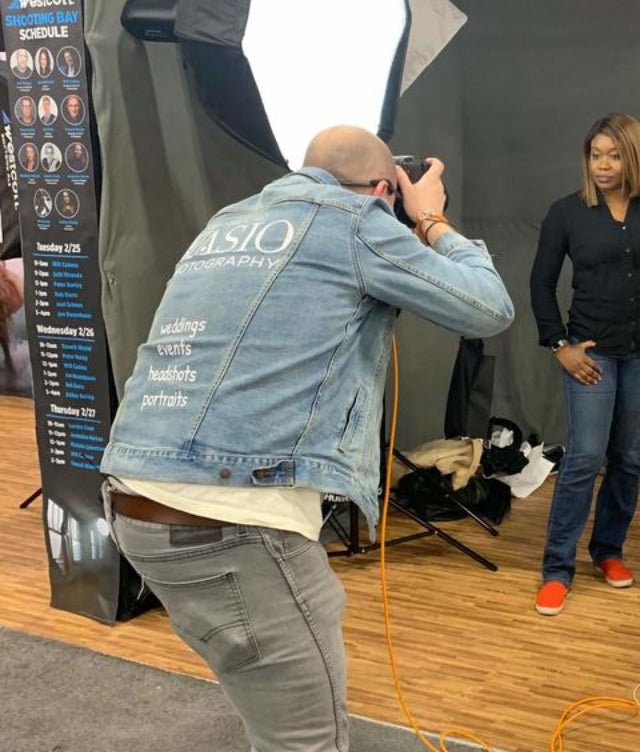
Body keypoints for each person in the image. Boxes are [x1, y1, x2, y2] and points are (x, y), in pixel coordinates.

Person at [100, 125, 514, 752]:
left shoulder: (232, 218)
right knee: (308, 738)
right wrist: (429, 219)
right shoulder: (355, 219)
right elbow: (488, 306)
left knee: (272, 704)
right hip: (232, 519)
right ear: (382, 189)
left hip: (138, 503)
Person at [529, 112, 640, 617]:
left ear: (634, 157)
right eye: (596, 155)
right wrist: (560, 345)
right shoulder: (566, 213)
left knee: (628, 457)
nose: (603, 164)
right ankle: (557, 569)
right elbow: (540, 284)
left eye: (614, 155)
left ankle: (608, 552)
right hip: (590, 353)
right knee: (584, 457)